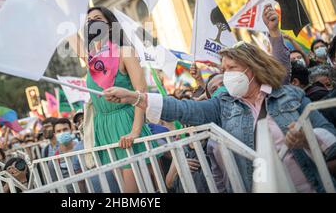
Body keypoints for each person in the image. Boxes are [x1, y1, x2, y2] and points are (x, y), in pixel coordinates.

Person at [103, 41, 336, 193]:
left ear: (252, 68)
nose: (226, 76)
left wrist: (308, 140)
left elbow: (331, 139)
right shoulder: (223, 106)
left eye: (231, 68)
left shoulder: (291, 96)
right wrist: (135, 97)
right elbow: (184, 109)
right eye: (222, 71)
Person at [68, 6, 157, 193]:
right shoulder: (93, 59)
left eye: (97, 18)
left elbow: (141, 93)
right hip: (104, 127)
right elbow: (70, 34)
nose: (92, 22)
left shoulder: (125, 52)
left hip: (125, 124)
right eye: (88, 20)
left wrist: (134, 131)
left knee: (134, 191)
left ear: (109, 26)